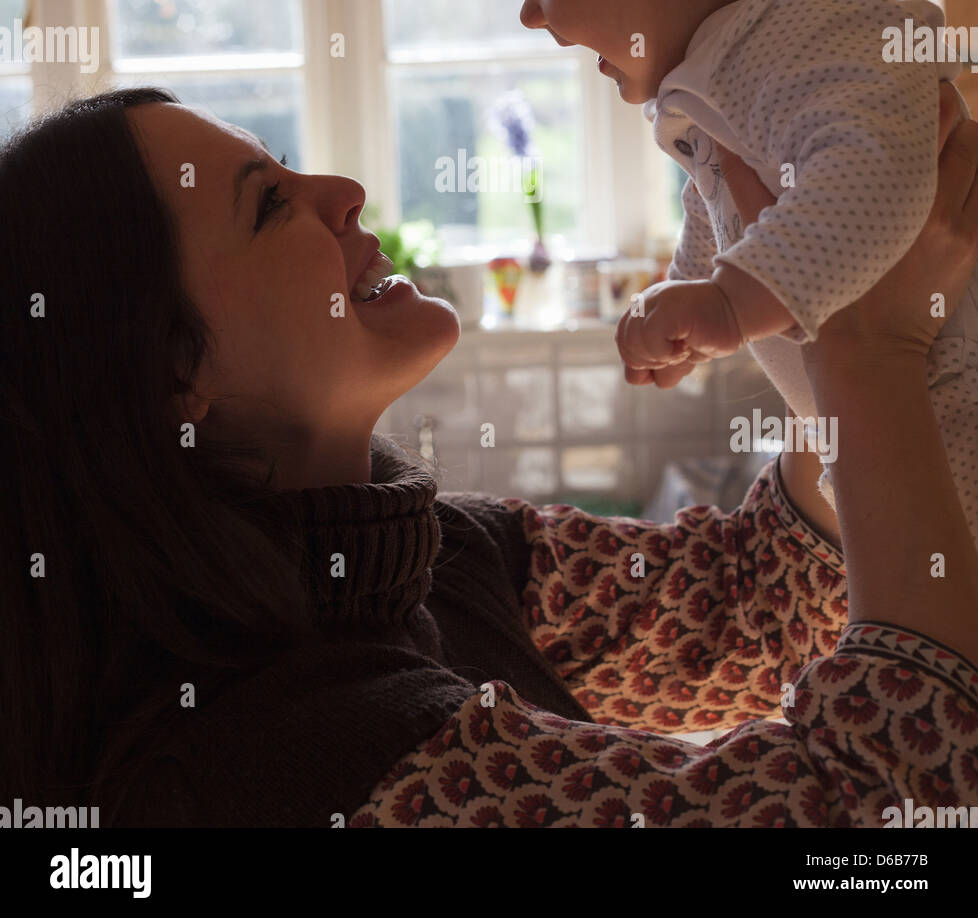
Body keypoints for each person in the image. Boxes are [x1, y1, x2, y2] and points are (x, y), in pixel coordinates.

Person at [1, 84, 977, 828]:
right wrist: (870, 355)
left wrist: (825, 302)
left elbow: (746, 602)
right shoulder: (311, 772)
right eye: (268, 205)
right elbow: (887, 817)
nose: (343, 191)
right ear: (176, 374)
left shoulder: (437, 555)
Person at [479, 0, 978, 544]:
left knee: (934, 614)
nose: (531, 13)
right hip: (903, 401)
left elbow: (873, 179)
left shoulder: (815, 28)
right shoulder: (728, 65)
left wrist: (725, 304)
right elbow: (725, 209)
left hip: (956, 387)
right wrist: (691, 298)